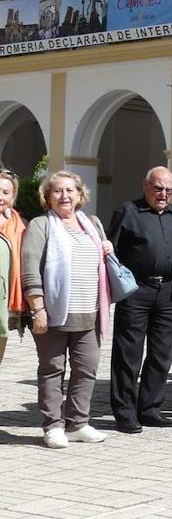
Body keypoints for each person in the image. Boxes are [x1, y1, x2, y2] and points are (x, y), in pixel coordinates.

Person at [21, 171, 114, 448]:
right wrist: (37, 308)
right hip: (53, 312)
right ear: (47, 197)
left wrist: (107, 247)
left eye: (70, 190)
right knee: (52, 370)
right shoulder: (41, 225)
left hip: (90, 310)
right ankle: (52, 426)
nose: (64, 196)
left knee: (87, 369)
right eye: (58, 191)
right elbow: (29, 269)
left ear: (79, 195)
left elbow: (101, 264)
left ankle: (79, 423)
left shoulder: (92, 223)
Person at [107, 166, 172, 433]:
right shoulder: (128, 212)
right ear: (145, 186)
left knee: (161, 354)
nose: (163, 194)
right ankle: (125, 413)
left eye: (169, 190)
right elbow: (111, 253)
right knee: (128, 355)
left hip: (169, 292)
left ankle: (151, 409)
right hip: (136, 291)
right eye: (158, 188)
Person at [0, 169, 25, 366]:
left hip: (3, 303)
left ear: (13, 195)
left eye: (5, 192)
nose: (0, 197)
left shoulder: (19, 225)